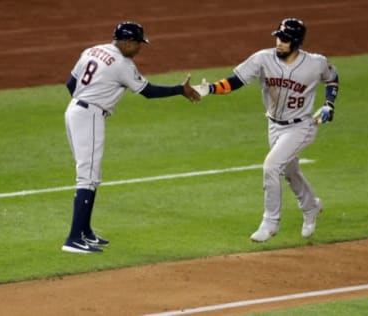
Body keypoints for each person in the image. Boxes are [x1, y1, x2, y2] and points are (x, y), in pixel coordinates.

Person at [193, 18, 339, 242]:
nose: (280, 42)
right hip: (274, 125)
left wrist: (329, 104)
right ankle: (311, 207)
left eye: (286, 39)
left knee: (271, 166)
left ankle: (270, 223)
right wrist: (210, 88)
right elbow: (236, 81)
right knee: (290, 172)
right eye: (279, 37)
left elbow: (332, 78)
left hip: (301, 127)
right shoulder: (263, 59)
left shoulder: (316, 63)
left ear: (297, 42)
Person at [62, 21, 200, 254]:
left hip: (74, 110)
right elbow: (147, 92)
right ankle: (74, 238)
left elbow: (71, 84)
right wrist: (180, 89)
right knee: (87, 177)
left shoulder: (91, 50)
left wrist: (88, 99)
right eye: (137, 43)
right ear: (126, 42)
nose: (139, 49)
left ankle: (85, 232)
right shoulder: (122, 63)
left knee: (91, 176)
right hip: (90, 115)